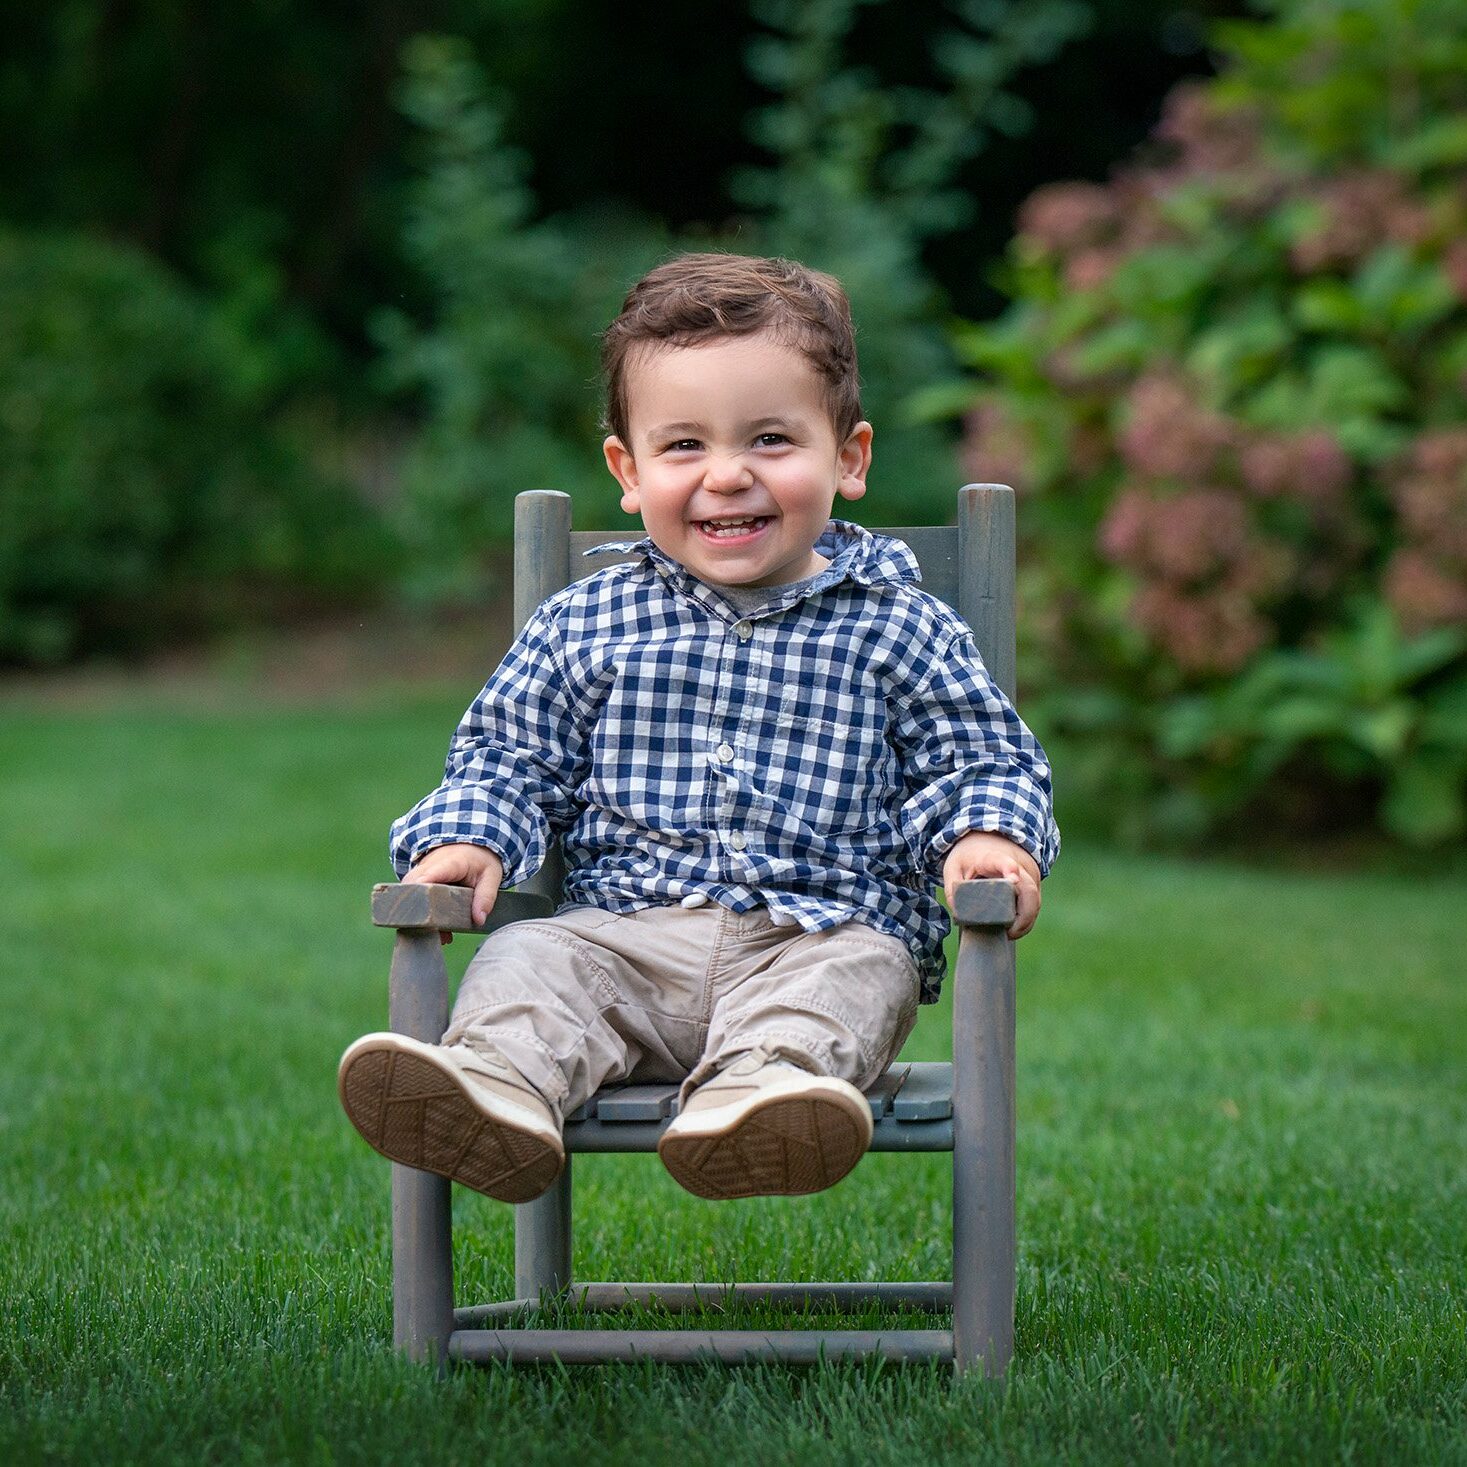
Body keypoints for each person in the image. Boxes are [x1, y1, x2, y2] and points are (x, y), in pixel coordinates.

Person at [338, 252, 1059, 1204]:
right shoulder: (588, 619)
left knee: (864, 969)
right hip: (623, 940)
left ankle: (762, 1097)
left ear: (849, 458)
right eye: (683, 447)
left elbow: (978, 757)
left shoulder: (899, 620)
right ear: (626, 472)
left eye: (769, 438)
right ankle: (497, 1084)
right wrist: (468, 834)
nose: (727, 476)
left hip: (813, 933)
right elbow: (510, 756)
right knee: (530, 954)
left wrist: (987, 835)